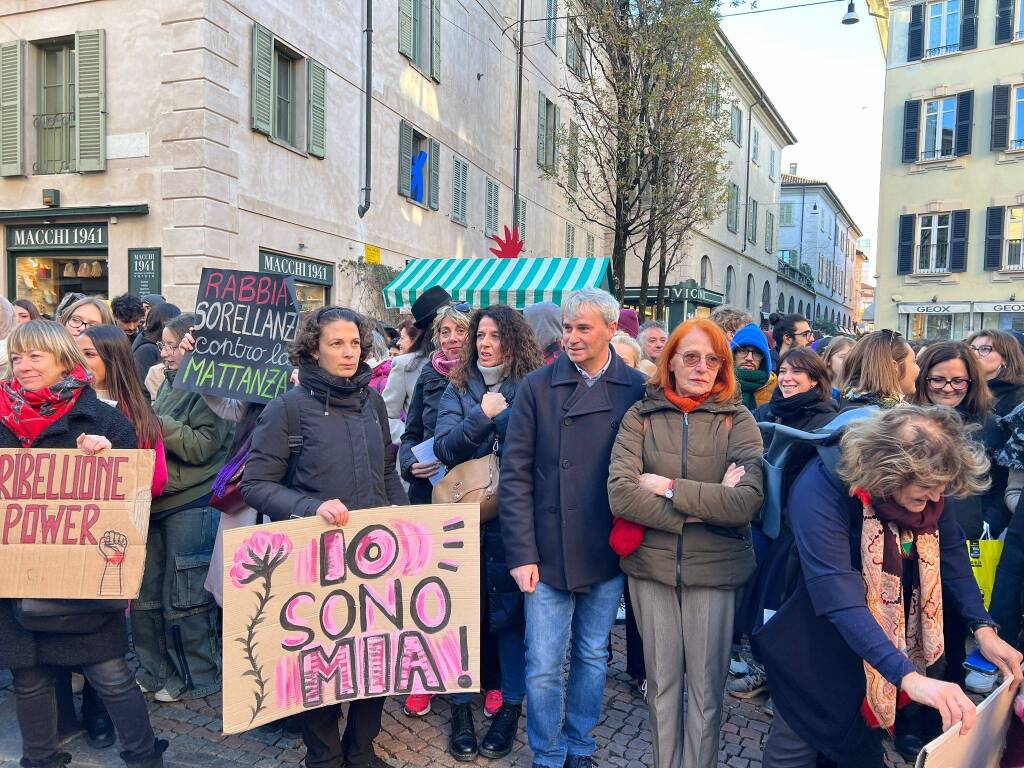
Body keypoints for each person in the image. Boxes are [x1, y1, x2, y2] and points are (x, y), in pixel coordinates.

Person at [754, 406, 1023, 768]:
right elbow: (838, 596)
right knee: (799, 739)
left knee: (860, 739)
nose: (935, 500)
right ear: (887, 472)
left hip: (883, 635)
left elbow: (951, 550)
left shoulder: (929, 487)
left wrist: (983, 627)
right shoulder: (821, 484)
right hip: (813, 633)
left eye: (941, 491)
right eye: (926, 490)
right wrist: (907, 676)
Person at [242, 306, 408, 768]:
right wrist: (311, 508)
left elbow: (386, 471)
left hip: (374, 555)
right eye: (336, 343)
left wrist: (405, 520)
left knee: (375, 657)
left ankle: (361, 749)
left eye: (354, 343)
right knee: (320, 662)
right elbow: (255, 484)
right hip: (313, 557)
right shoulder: (288, 408)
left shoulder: (372, 402)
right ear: (314, 348)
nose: (349, 352)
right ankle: (324, 755)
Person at [0, 320, 167, 768]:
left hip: (82, 581)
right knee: (29, 679)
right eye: (17, 357)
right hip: (16, 577)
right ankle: (40, 759)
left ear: (61, 360)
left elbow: (132, 500)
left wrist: (108, 456)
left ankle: (143, 757)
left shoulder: (104, 419)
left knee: (111, 673)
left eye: (36, 356)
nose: (24, 366)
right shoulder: (0, 416)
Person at [608, 317, 764, 768]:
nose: (701, 368)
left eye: (713, 359)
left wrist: (669, 488)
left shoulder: (739, 421)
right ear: (670, 361)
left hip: (715, 573)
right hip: (651, 570)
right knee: (661, 687)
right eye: (691, 357)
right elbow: (621, 492)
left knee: (706, 691)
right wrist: (703, 507)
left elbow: (746, 502)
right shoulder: (641, 416)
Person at [501, 287, 647, 768]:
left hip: (605, 548)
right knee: (543, 663)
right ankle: (547, 752)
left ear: (611, 329)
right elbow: (515, 476)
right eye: (567, 327)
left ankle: (580, 745)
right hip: (545, 551)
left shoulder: (635, 389)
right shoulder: (537, 387)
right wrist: (521, 553)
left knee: (590, 655)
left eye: (583, 327)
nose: (572, 337)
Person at [434, 305, 544, 760]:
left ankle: (510, 707)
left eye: (496, 335)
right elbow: (443, 446)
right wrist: (481, 415)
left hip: (513, 518)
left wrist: (500, 417)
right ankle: (460, 707)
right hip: (461, 516)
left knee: (509, 617)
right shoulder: (458, 387)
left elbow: (538, 446)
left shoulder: (533, 387)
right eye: (481, 334)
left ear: (513, 341)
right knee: (458, 612)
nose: (485, 343)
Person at [133, 314, 232, 703]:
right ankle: (155, 669)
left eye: (175, 346)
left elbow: (203, 446)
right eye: (166, 346)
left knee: (185, 595)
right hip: (158, 497)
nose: (168, 354)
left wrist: (154, 422)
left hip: (191, 500)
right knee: (147, 594)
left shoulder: (212, 387)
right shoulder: (171, 383)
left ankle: (197, 675)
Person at [78, 325, 168, 497]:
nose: (79, 361)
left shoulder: (138, 412)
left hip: (116, 515)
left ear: (113, 359)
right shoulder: (60, 404)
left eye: (89, 354)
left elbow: (156, 481)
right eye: (74, 353)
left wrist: (115, 463)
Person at [398, 306, 470, 507]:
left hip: (472, 488)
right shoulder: (429, 374)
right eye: (445, 332)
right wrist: (409, 463)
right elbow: (411, 433)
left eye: (461, 331)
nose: (452, 338)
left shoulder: (483, 374)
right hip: (428, 490)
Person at [382, 286, 449, 443]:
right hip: (419, 461)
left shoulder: (469, 363)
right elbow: (386, 415)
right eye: (445, 328)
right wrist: (413, 440)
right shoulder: (406, 365)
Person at [753, 347, 838, 432]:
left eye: (796, 371)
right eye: (782, 371)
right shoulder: (764, 412)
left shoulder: (828, 423)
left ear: (814, 379)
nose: (786, 378)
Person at [838, 329, 918, 409]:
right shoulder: (893, 418)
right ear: (894, 367)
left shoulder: (844, 403)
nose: (918, 369)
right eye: (914, 361)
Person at [133, 302, 181, 392]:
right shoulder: (147, 349)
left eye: (172, 347)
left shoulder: (146, 342)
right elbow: (143, 389)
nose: (163, 353)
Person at [730, 322, 777, 411]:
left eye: (757, 353)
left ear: (764, 358)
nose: (749, 358)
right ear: (733, 354)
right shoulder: (717, 383)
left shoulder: (776, 388)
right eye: (743, 350)